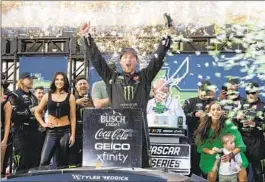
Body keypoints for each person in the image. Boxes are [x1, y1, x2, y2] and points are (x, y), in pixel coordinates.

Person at [79, 21, 171, 167]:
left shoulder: (145, 76)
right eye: (125, 57)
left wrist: (167, 36)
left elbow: (157, 59)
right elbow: (97, 59)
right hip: (117, 127)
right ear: (120, 61)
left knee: (143, 163)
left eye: (132, 57)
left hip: (139, 125)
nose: (128, 59)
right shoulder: (112, 77)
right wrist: (86, 36)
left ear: (137, 61)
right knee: (117, 163)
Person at [194, 101, 248, 182]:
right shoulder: (204, 126)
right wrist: (211, 151)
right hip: (210, 156)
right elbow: (200, 147)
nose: (216, 112)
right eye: (213, 109)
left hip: (231, 153)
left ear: (222, 112)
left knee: (242, 173)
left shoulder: (229, 124)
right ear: (209, 112)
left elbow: (239, 144)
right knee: (212, 174)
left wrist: (230, 155)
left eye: (218, 109)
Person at [35, 72, 76, 168]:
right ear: (54, 81)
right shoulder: (47, 96)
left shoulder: (70, 96)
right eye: (57, 79)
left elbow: (73, 116)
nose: (59, 81)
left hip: (65, 132)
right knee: (44, 161)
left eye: (62, 79)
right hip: (51, 132)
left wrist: (72, 135)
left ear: (65, 81)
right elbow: (37, 112)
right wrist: (43, 124)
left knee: (63, 164)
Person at [8, 72, 43, 173]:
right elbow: (13, 115)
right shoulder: (14, 95)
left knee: (35, 164)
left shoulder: (33, 96)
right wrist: (30, 111)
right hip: (21, 133)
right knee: (22, 164)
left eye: (32, 79)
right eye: (29, 78)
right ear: (22, 80)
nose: (32, 80)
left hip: (35, 133)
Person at [182, 80, 215, 176]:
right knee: (193, 168)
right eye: (202, 90)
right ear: (198, 90)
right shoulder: (190, 102)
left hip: (209, 140)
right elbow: (182, 117)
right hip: (193, 140)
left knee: (208, 170)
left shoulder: (214, 104)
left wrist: (209, 116)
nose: (204, 93)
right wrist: (194, 114)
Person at [236, 82, 265, 182]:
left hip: (257, 142)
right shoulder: (241, 105)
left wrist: (255, 124)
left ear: (258, 92)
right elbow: (232, 123)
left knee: (258, 172)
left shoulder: (263, 107)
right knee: (242, 171)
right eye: (248, 92)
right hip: (243, 141)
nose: (250, 95)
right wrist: (238, 120)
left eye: (252, 92)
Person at [68, 75, 94, 167]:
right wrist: (75, 103)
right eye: (80, 84)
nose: (83, 85)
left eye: (84, 83)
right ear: (76, 87)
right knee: (73, 162)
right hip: (75, 134)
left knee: (88, 161)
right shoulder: (71, 98)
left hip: (90, 135)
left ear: (88, 86)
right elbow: (62, 110)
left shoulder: (94, 99)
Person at [1, 86, 12, 176]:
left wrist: (4, 139)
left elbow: (7, 123)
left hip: (2, 135)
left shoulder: (6, 103)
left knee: (1, 165)